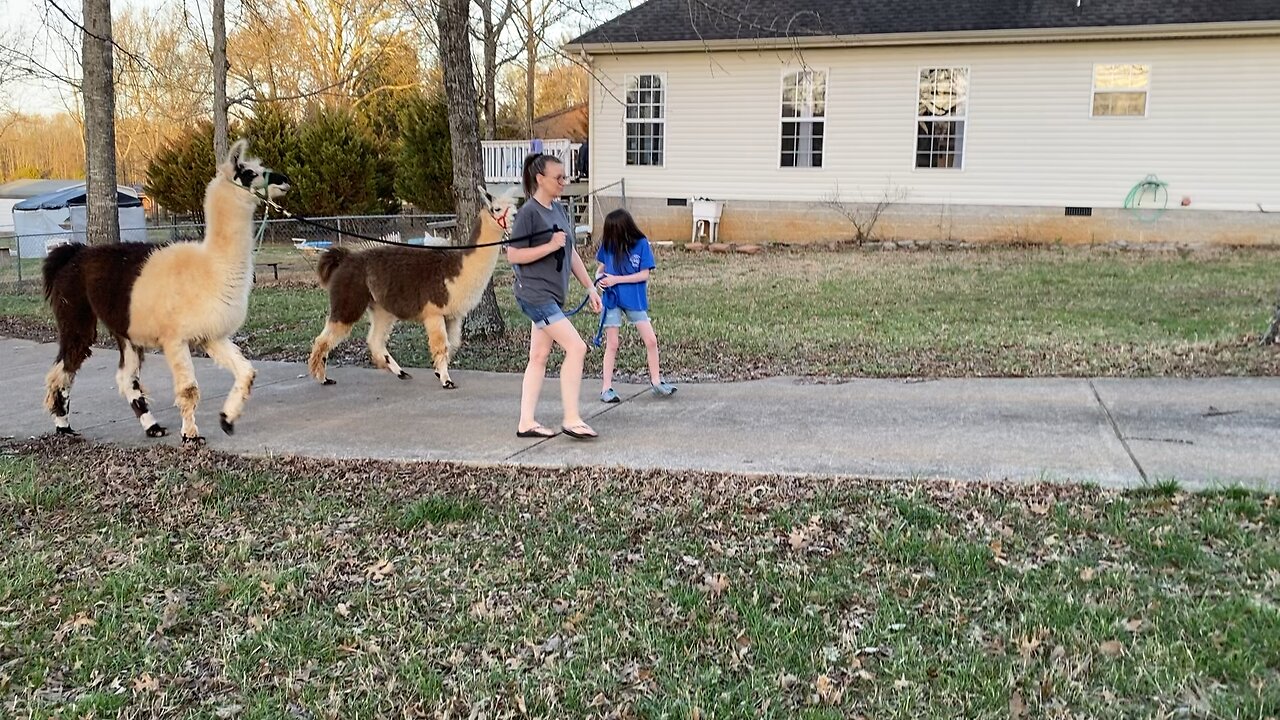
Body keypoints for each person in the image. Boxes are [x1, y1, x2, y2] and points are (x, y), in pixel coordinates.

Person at [507, 153, 602, 439]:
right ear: (540, 179)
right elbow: (513, 255)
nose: (563, 182)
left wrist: (589, 287)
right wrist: (549, 246)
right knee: (577, 347)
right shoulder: (529, 213)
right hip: (535, 295)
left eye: (565, 177)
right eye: (558, 177)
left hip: (552, 295)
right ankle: (571, 418)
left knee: (538, 356)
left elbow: (569, 250)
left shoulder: (558, 210)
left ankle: (526, 422)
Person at [594, 208, 676, 403]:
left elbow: (644, 274)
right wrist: (599, 280)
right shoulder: (609, 244)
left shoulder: (641, 244)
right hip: (612, 300)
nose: (610, 235)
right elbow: (600, 269)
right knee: (612, 344)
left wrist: (616, 280)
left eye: (613, 231)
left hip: (635, 300)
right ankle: (606, 388)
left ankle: (656, 381)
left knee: (651, 340)